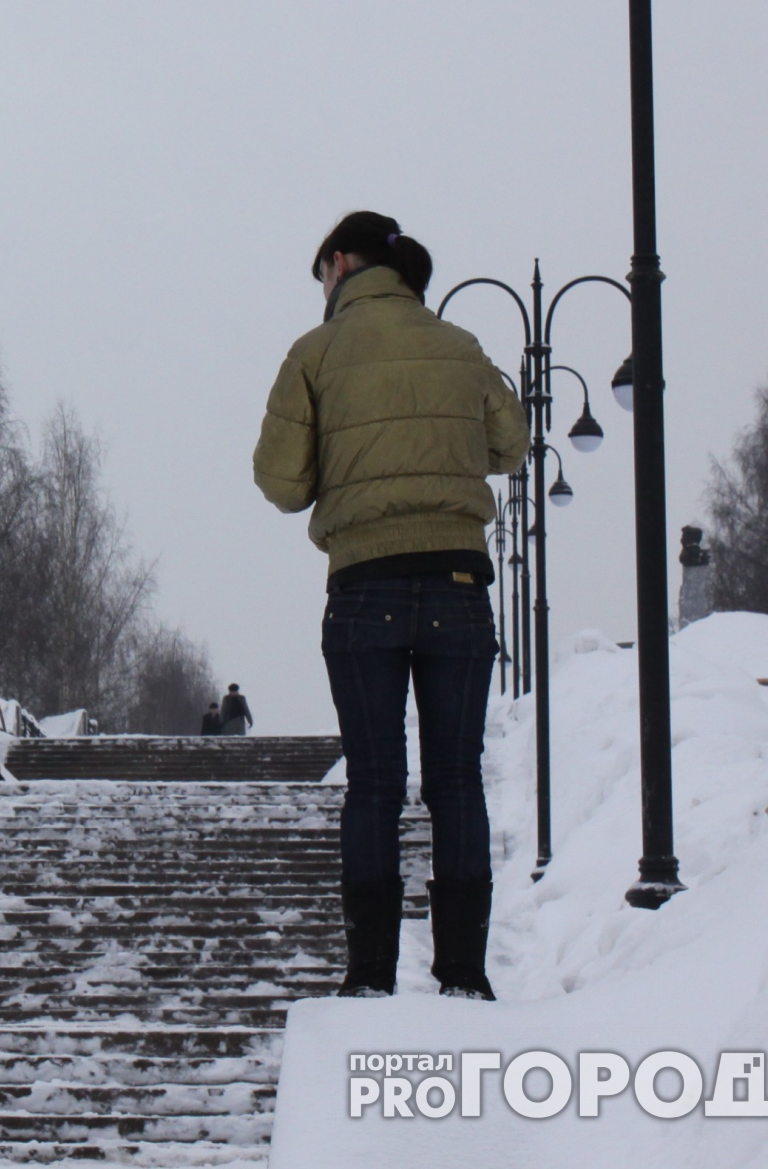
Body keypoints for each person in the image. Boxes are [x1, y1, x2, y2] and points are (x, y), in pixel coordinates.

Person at [251, 211, 528, 1000]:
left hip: (364, 585)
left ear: (340, 264)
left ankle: (370, 974)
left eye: (322, 277)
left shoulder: (315, 354)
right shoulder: (460, 346)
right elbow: (511, 445)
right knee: (456, 778)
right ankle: (465, 975)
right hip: (459, 584)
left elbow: (281, 484)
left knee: (374, 780)